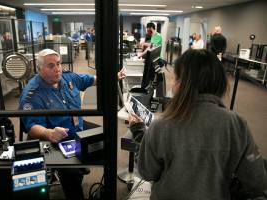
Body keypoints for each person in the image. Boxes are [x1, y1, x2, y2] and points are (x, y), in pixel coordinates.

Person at [129, 49, 267, 199]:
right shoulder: (237, 124)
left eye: (174, 79)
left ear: (182, 84)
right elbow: (257, 182)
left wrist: (138, 132)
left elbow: (147, 172)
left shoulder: (161, 125)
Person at [19, 49, 126, 199]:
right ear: (39, 68)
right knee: (72, 172)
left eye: (58, 64)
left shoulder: (68, 78)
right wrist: (48, 133)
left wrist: (112, 77)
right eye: (51, 66)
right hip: (57, 138)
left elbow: (91, 79)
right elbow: (31, 126)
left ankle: (90, 170)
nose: (57, 69)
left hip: (78, 127)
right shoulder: (32, 93)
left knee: (107, 138)